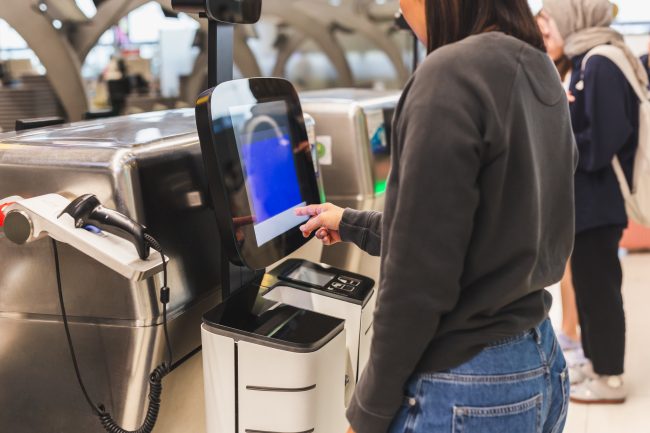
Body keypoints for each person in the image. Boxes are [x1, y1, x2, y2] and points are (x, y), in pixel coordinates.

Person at [296, 0, 576, 431]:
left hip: (467, 384)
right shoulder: (539, 69)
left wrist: (366, 413)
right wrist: (349, 222)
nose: (400, 11)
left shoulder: (450, 73)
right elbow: (470, 232)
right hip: (539, 361)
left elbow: (416, 281)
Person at [543, 0, 647, 404]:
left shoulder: (600, 62)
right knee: (587, 285)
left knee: (600, 290)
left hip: (599, 204)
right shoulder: (586, 59)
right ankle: (596, 360)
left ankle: (611, 377)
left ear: (573, 19)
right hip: (587, 202)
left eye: (550, 22)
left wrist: (560, 136)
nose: (546, 31)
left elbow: (603, 141)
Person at [536, 10, 585, 361]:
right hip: (559, 182)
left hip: (574, 184)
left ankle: (572, 329)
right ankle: (570, 327)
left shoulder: (576, 69)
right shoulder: (552, 69)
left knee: (573, 262)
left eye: (546, 32)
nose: (543, 40)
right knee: (567, 262)